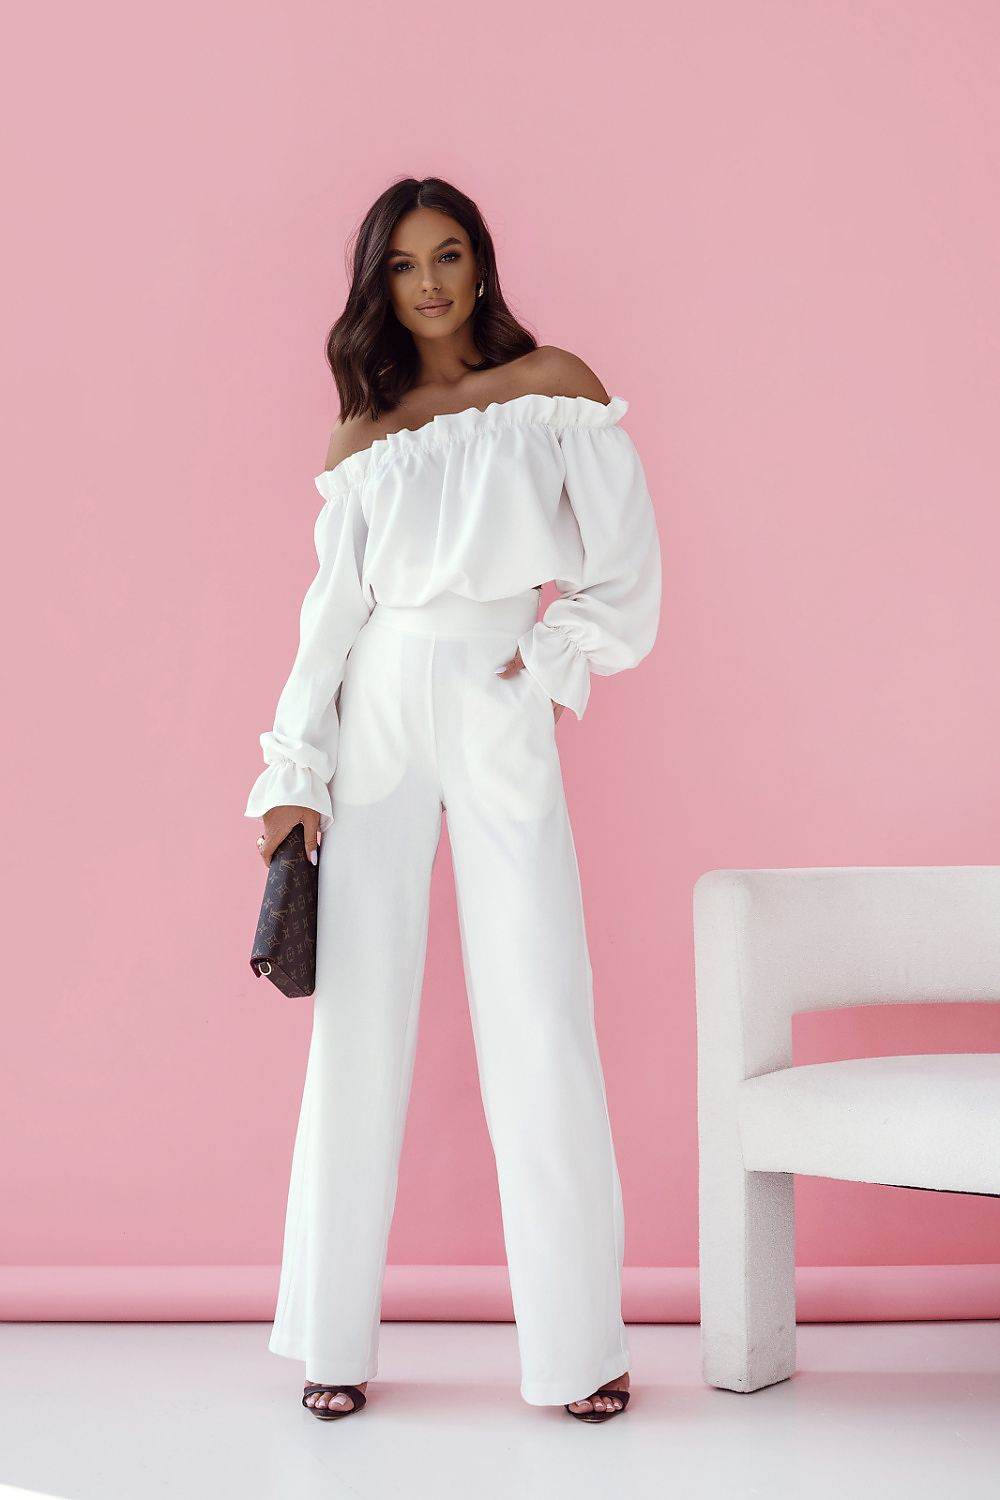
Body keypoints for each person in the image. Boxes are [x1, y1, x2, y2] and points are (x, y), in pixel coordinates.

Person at [245, 175, 662, 1424]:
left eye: (446, 255)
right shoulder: (365, 436)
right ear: (377, 285)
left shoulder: (554, 388)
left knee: (540, 1003)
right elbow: (328, 624)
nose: (426, 282)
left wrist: (545, 662)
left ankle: (579, 1349)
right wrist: (292, 773)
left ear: (480, 263)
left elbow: (625, 572)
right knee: (357, 1018)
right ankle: (331, 1341)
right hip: (376, 704)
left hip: (494, 690)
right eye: (402, 264)